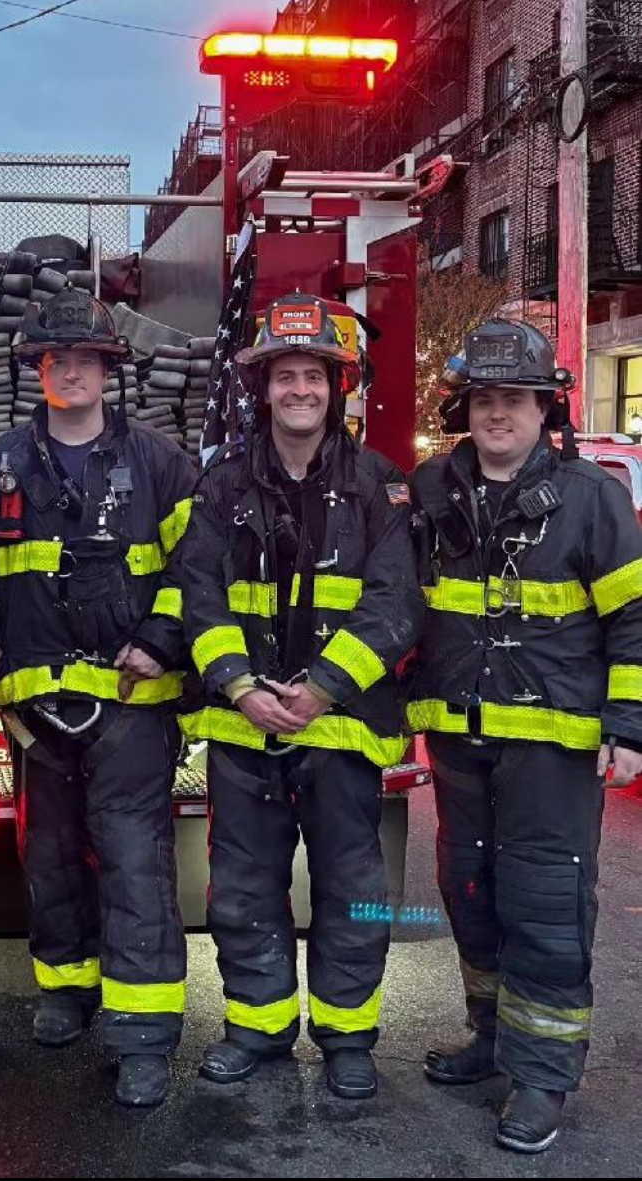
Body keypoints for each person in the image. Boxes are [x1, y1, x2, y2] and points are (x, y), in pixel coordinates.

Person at [174, 292, 423, 1100]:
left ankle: (347, 1037)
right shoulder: (220, 487)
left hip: (340, 730)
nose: (299, 390)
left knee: (352, 891)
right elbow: (197, 593)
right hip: (243, 727)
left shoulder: (381, 489)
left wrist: (319, 690)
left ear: (335, 386)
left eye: (313, 375)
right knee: (243, 885)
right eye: (284, 376)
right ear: (263, 387)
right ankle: (257, 1024)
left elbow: (395, 604)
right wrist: (240, 686)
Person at [410, 318, 642, 1153]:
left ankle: (541, 1076)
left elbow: (633, 619)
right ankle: (491, 1037)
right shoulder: (432, 489)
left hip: (552, 745)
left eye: (515, 397)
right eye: (483, 398)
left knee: (544, 902)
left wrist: (627, 727)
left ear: (545, 408)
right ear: (461, 408)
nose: (497, 412)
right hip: (459, 737)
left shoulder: (590, 498)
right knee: (469, 891)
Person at [0, 287, 195, 1107]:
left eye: (86, 360)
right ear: (37, 368)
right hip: (36, 704)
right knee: (51, 852)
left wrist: (160, 640)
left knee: (135, 861)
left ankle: (142, 1033)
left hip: (133, 702)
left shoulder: (161, 464)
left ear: (109, 370)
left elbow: (195, 570)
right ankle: (66, 989)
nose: (71, 372)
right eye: (56, 358)